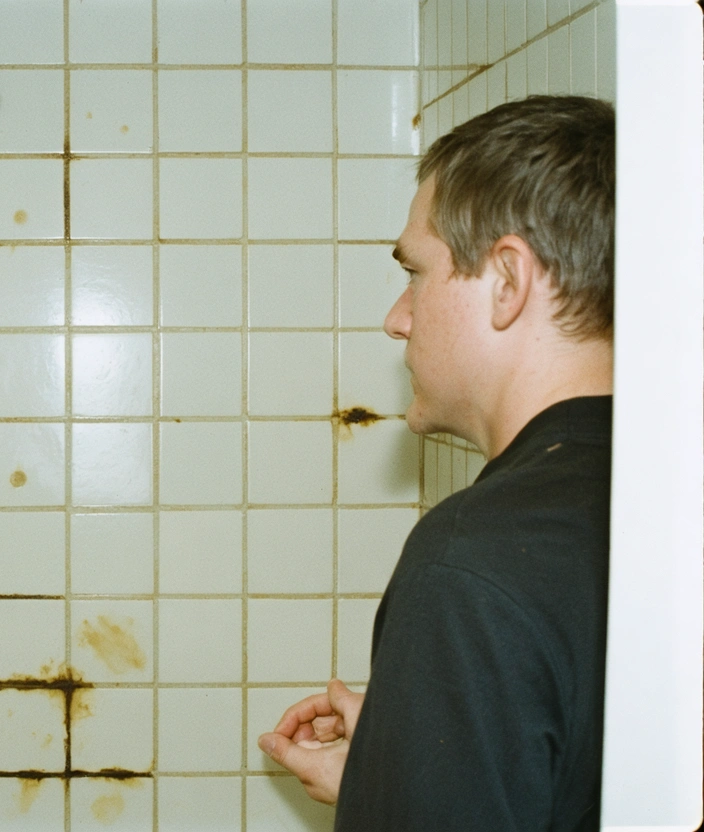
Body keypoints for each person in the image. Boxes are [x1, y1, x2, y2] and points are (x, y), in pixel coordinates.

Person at [258, 95, 615, 830]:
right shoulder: (655, 496)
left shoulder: (470, 562)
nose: (398, 317)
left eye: (415, 272)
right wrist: (404, 765)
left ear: (509, 283)